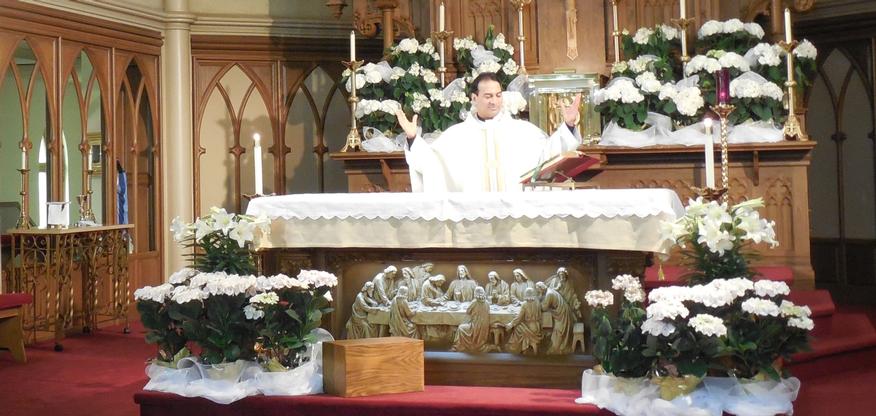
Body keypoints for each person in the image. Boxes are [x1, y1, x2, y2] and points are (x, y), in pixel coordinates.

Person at [397, 72, 582, 192]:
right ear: (474, 98)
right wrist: (413, 138)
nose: (494, 101)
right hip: (472, 222)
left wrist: (568, 126)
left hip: (516, 218)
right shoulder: (457, 136)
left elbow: (549, 155)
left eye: (498, 95)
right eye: (488, 96)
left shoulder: (523, 131)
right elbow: (431, 163)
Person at [536, 281, 574, 355]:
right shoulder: (549, 291)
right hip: (559, 312)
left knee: (559, 330)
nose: (538, 292)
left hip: (561, 313)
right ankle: (554, 346)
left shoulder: (549, 294)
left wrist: (536, 304)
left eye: (539, 290)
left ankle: (556, 348)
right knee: (556, 329)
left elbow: (544, 307)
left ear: (541, 288)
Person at [451, 287, 492, 352]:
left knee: (461, 328)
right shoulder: (487, 302)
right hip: (484, 326)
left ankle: (458, 346)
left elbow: (468, 311)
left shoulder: (474, 302)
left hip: (476, 325)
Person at [504, 288, 543, 354]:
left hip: (529, 326)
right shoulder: (537, 302)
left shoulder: (525, 304)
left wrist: (511, 324)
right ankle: (526, 347)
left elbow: (519, 318)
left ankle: (515, 348)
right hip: (537, 326)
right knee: (521, 326)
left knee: (517, 328)